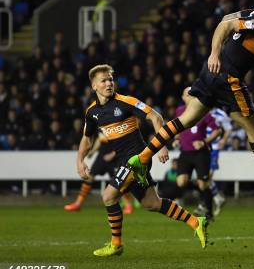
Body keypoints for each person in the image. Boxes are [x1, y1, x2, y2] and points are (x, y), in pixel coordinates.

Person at [124, 0, 254, 194]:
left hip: (212, 74)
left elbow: (229, 17)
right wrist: (215, 54)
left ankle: (142, 158)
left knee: (187, 120)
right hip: (228, 77)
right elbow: (226, 24)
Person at [77, 64, 207, 257]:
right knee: (151, 203)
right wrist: (80, 160)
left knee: (108, 196)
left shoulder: (125, 102)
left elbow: (155, 117)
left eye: (111, 79)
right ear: (94, 85)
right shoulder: (92, 112)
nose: (109, 83)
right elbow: (87, 139)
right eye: (103, 80)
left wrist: (161, 144)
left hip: (138, 157)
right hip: (124, 160)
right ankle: (196, 222)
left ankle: (116, 244)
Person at [172, 87, 221, 220]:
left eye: (193, 94)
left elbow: (218, 130)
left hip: (201, 153)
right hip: (185, 152)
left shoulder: (203, 111)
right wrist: (176, 139)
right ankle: (199, 188)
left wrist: (204, 142)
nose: (191, 96)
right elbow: (177, 128)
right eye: (188, 94)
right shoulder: (179, 111)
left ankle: (209, 213)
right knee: (181, 182)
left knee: (203, 184)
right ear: (183, 98)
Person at [64, 133, 134, 214]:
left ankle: (128, 205)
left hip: (115, 158)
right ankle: (78, 204)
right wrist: (93, 151)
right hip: (101, 156)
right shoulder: (102, 122)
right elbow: (100, 139)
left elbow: (123, 141)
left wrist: (113, 154)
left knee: (120, 181)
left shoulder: (116, 123)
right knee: (89, 178)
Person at [207, 107, 232, 216]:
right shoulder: (200, 109)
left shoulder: (220, 114)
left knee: (207, 176)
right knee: (203, 177)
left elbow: (228, 128)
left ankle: (213, 199)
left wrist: (223, 140)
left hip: (214, 148)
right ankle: (216, 198)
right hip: (202, 147)